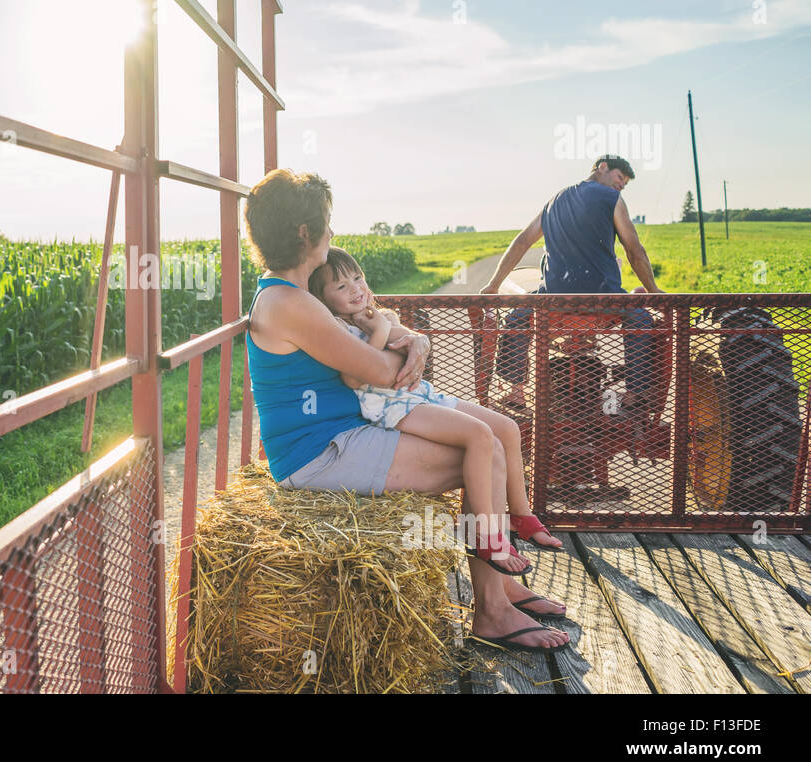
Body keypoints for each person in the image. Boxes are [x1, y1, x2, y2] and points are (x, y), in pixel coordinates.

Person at [243, 169, 569, 651]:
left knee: (491, 441)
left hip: (346, 432)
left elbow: (374, 350)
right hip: (319, 452)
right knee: (485, 453)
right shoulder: (288, 303)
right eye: (327, 223)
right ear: (304, 233)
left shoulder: (296, 295)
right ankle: (492, 612)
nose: (332, 233)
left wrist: (411, 339)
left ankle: (497, 589)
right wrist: (411, 345)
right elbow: (376, 370)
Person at [309, 245, 562, 550]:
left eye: (358, 277)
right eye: (341, 285)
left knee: (507, 428)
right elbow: (353, 377)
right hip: (393, 409)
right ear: (323, 298)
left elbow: (409, 337)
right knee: (479, 436)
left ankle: (522, 515)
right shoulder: (338, 328)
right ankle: (484, 533)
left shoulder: (378, 315)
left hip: (421, 395)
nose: (355, 288)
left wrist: (401, 332)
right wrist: (378, 330)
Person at [482, 155, 663, 416]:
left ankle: (516, 391)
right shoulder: (611, 199)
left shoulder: (554, 201)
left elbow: (522, 241)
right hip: (604, 301)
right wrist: (654, 291)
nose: (621, 185)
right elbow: (633, 250)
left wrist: (493, 284)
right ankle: (635, 393)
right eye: (620, 178)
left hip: (552, 302)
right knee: (641, 319)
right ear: (602, 168)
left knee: (517, 317)